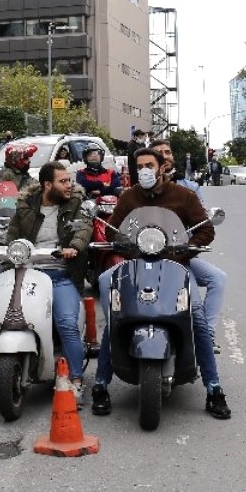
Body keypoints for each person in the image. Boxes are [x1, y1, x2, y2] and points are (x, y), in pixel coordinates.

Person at [91, 147, 231, 421]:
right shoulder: (129, 197)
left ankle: (214, 388)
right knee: (115, 317)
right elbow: (112, 230)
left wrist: (184, 249)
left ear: (161, 168)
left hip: (177, 265)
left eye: (149, 165)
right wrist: (130, 246)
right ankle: (100, 385)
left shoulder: (183, 196)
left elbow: (205, 228)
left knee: (197, 319)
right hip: (136, 265)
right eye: (140, 165)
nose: (145, 170)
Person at [0, 161, 90, 403]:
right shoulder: (25, 205)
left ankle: (75, 380)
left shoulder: (76, 205)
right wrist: (5, 254)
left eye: (69, 180)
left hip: (61, 275)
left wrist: (73, 247)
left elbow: (84, 230)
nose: (69, 185)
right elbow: (12, 238)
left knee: (67, 323)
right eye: (63, 181)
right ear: (47, 184)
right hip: (26, 272)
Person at [150, 139, 225, 351]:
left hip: (182, 255)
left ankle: (206, 335)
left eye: (168, 151)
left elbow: (201, 222)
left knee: (218, 279)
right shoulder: (142, 188)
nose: (165, 156)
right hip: (149, 255)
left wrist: (189, 245)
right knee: (108, 283)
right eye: (159, 153)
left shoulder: (189, 188)